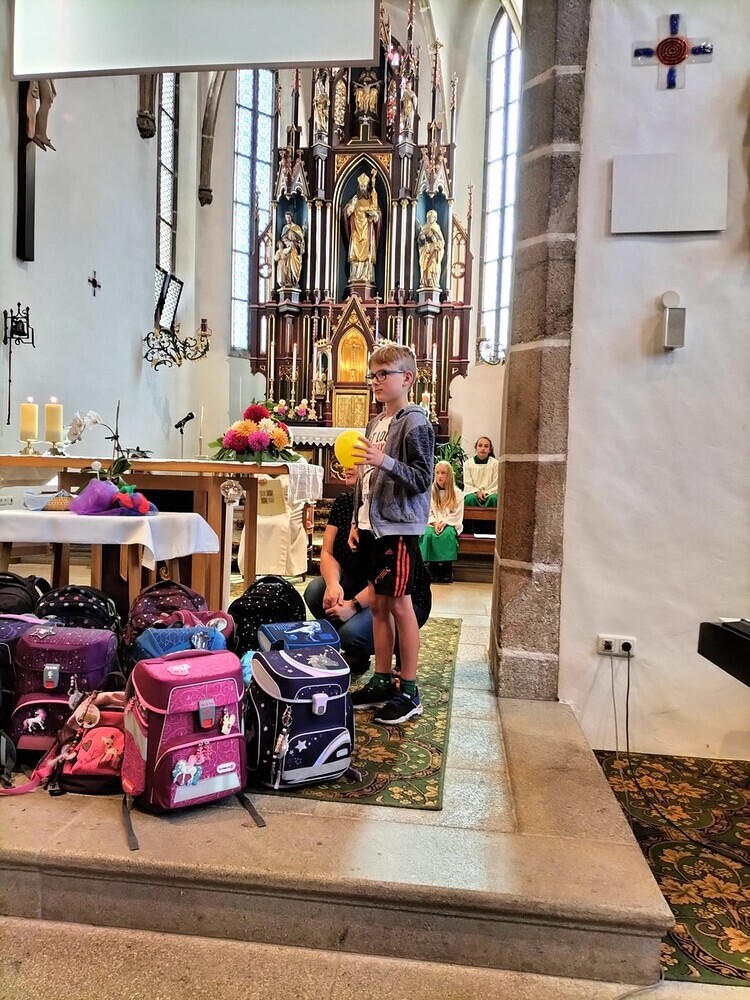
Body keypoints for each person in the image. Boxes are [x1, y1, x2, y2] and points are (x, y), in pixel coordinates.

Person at [348, 344, 435, 725]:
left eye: (385, 374)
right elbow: (367, 478)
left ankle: (409, 689)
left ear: (408, 378)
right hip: (373, 525)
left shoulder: (415, 421)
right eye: (373, 374)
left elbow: (422, 478)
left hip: (398, 528)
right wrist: (356, 519)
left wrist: (384, 460)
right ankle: (382, 679)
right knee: (379, 606)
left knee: (400, 605)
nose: (376, 381)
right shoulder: (375, 423)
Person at [304, 468, 432, 675]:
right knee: (316, 591)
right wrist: (333, 584)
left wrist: (353, 605)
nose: (345, 467)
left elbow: (387, 572)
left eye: (354, 461)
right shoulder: (344, 502)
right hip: (364, 584)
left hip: (400, 593)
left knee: (350, 634)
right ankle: (357, 654)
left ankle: (392, 658)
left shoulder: (384, 507)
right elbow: (327, 552)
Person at [419, 461, 464, 583]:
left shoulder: (457, 493)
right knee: (428, 534)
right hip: (432, 523)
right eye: (437, 473)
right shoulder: (430, 491)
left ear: (449, 475)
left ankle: (446, 569)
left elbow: (457, 513)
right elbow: (427, 510)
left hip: (449, 523)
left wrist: (445, 522)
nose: (440, 476)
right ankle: (432, 567)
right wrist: (434, 522)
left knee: (447, 535)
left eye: (443, 473)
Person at [343, 171, 381, 286]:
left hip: (367, 232)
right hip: (356, 231)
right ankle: (355, 275)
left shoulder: (371, 200)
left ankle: (367, 276)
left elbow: (377, 215)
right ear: (359, 187)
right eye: (361, 186)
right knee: (355, 253)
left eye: (365, 186)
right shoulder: (355, 199)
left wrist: (374, 215)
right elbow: (346, 213)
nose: (363, 188)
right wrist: (352, 206)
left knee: (367, 254)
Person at [463, 436, 499, 507]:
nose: (483, 448)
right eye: (480, 445)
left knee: (494, 499)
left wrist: (486, 493)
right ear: (476, 448)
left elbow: (496, 484)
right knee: (470, 499)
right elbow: (468, 484)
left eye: (486, 446)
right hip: (474, 493)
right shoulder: (468, 464)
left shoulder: (495, 464)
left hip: (490, 494)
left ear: (490, 450)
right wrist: (477, 492)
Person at [417, 210, 445, 289]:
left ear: (435, 218)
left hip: (434, 251)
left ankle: (433, 282)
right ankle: (425, 281)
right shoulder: (424, 227)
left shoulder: (437, 227)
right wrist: (422, 238)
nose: (430, 218)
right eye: (429, 217)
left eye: (432, 217)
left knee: (433, 266)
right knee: (424, 266)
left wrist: (435, 240)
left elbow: (441, 242)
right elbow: (419, 241)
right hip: (425, 250)